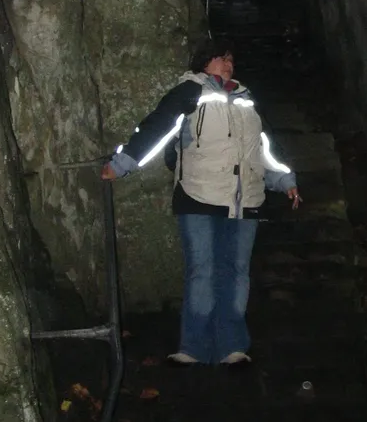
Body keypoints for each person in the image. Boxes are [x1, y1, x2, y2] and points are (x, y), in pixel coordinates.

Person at [101, 38, 301, 367]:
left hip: (245, 200)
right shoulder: (190, 92)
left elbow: (264, 148)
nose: (228, 64)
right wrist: (122, 164)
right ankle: (193, 347)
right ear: (203, 63)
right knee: (202, 271)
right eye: (221, 58)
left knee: (236, 273)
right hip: (199, 196)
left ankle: (232, 345)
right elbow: (157, 128)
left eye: (231, 60)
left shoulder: (246, 101)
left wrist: (283, 180)